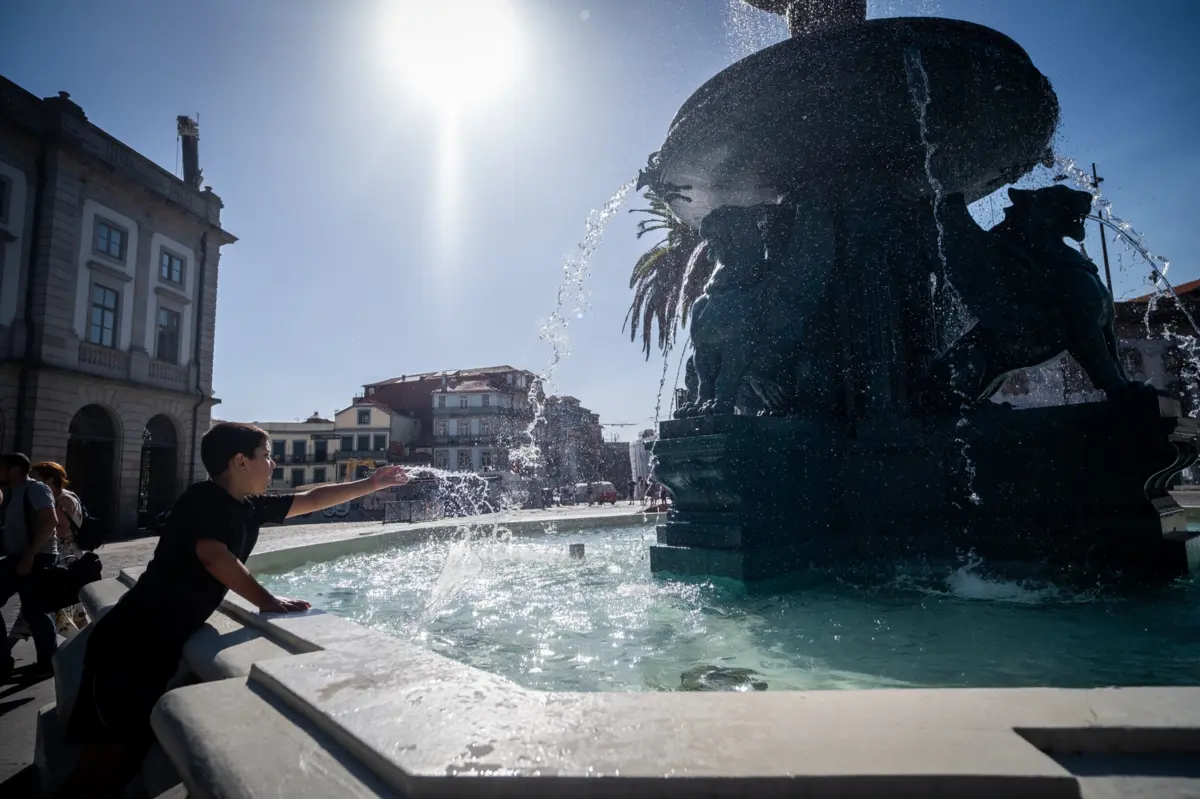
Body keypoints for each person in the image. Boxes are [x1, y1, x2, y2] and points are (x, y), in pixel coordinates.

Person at [56, 422, 409, 799]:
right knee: (107, 760)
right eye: (266, 456)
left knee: (126, 758)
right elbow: (213, 555)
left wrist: (372, 484)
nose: (272, 464)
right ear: (240, 462)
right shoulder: (204, 499)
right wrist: (267, 601)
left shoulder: (248, 506)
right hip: (133, 642)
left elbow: (312, 497)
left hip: (156, 642)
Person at [0, 452, 60, 681]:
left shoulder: (35, 489)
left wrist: (30, 554)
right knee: (34, 610)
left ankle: (47, 662)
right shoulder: (12, 493)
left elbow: (50, 521)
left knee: (35, 610)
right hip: (18, 556)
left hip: (36, 558)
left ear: (13, 469)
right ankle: (4, 660)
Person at [31, 462, 89, 633]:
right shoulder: (68, 495)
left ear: (48, 480)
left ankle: (74, 643)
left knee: (60, 603)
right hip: (67, 553)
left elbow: (62, 530)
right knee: (61, 603)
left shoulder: (62, 499)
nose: (32, 481)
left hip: (64, 555)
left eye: (35, 477)